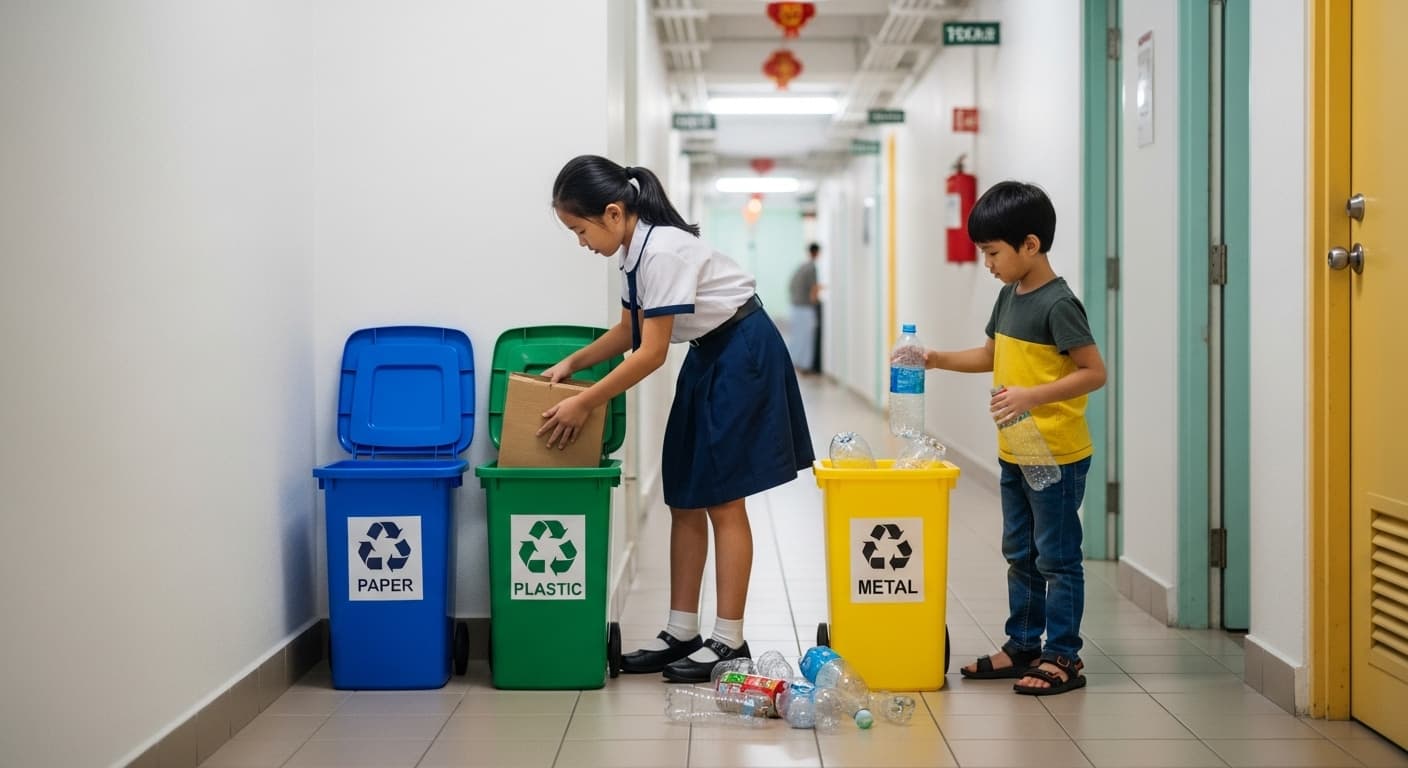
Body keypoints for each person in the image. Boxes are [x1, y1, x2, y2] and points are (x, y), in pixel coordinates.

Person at [540, 155, 815, 683]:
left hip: (742, 351)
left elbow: (650, 353)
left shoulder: (661, 251)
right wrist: (573, 363)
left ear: (614, 213)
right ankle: (681, 629)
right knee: (684, 490)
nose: (579, 241)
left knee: (723, 496)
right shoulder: (632, 252)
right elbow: (628, 332)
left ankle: (730, 639)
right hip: (710, 353)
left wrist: (585, 401)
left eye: (579, 229)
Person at [906, 181, 1105, 695]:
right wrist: (934, 359)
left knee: (1057, 557)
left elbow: (1093, 372)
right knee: (1020, 551)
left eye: (993, 253)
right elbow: (991, 355)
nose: (988, 264)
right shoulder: (1008, 296)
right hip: (1017, 450)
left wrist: (1031, 397)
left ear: (1031, 245)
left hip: (1056, 454)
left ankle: (1063, 657)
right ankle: (1023, 645)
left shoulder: (1059, 304)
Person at [787, 242, 822, 375]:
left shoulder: (801, 267)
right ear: (817, 253)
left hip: (795, 306)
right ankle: (805, 366)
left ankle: (796, 363)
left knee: (797, 337)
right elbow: (813, 289)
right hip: (806, 308)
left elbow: (791, 285)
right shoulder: (812, 267)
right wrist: (815, 300)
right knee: (807, 338)